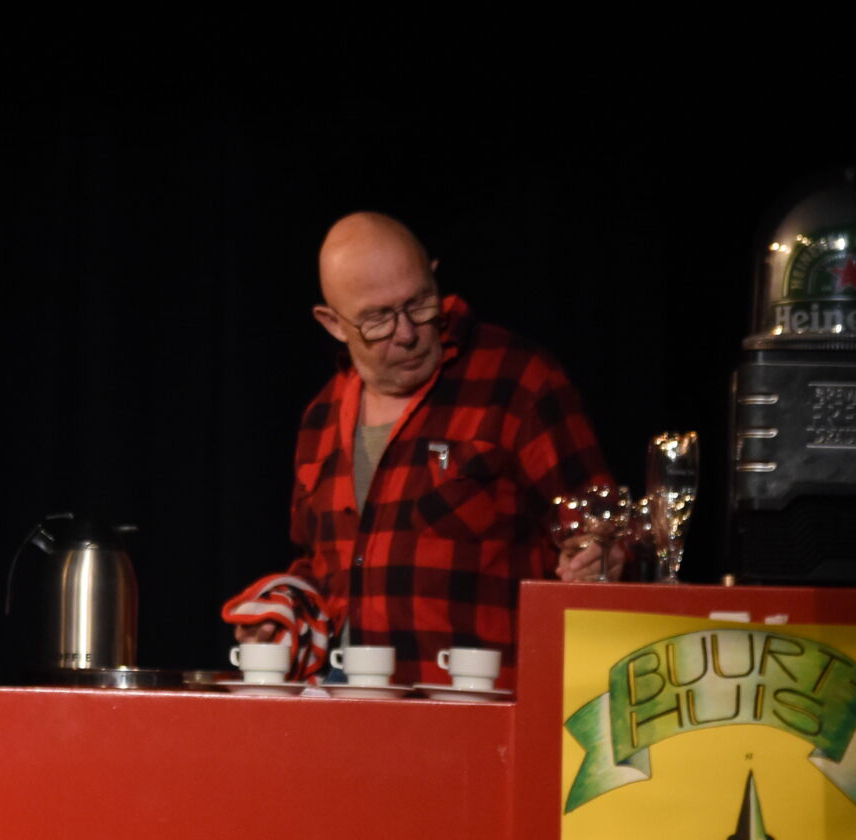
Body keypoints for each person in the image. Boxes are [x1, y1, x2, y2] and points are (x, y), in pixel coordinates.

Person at [233, 212, 615, 682]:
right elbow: (326, 568)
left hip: (475, 702)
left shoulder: (517, 381)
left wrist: (603, 554)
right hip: (348, 703)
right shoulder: (321, 418)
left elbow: (605, 530)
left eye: (419, 303)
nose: (408, 333)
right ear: (333, 323)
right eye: (378, 318)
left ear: (434, 276)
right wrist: (283, 609)